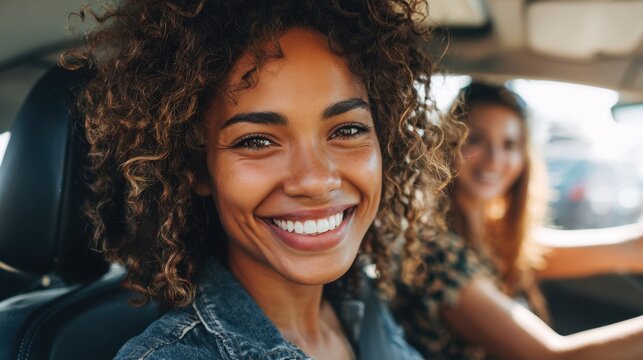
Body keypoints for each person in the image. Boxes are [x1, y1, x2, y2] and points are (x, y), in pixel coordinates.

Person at [62, 0, 462, 359]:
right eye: (256, 140)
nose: (316, 180)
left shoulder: (362, 307)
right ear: (197, 169)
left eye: (347, 130)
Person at [393, 81, 643, 359]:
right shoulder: (437, 253)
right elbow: (549, 357)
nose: (494, 159)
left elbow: (633, 248)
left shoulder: (495, 235)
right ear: (448, 144)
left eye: (510, 144)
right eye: (476, 139)